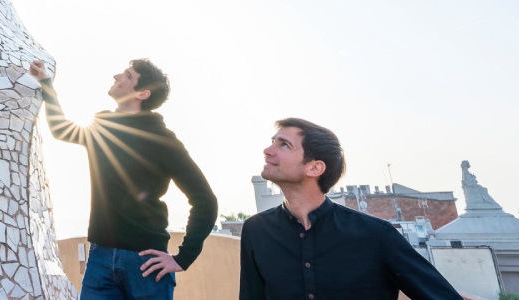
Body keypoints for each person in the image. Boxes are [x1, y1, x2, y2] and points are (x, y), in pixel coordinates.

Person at [28, 60, 218, 299]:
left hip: (146, 264)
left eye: (127, 75)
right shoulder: (103, 125)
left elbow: (205, 200)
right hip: (100, 258)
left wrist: (183, 258)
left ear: (143, 93)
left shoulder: (164, 140)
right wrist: (47, 83)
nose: (117, 75)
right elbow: (61, 129)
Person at [240, 118, 460, 299]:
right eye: (272, 142)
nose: (268, 150)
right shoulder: (256, 230)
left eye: (283, 144)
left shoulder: (376, 235)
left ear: (315, 167)